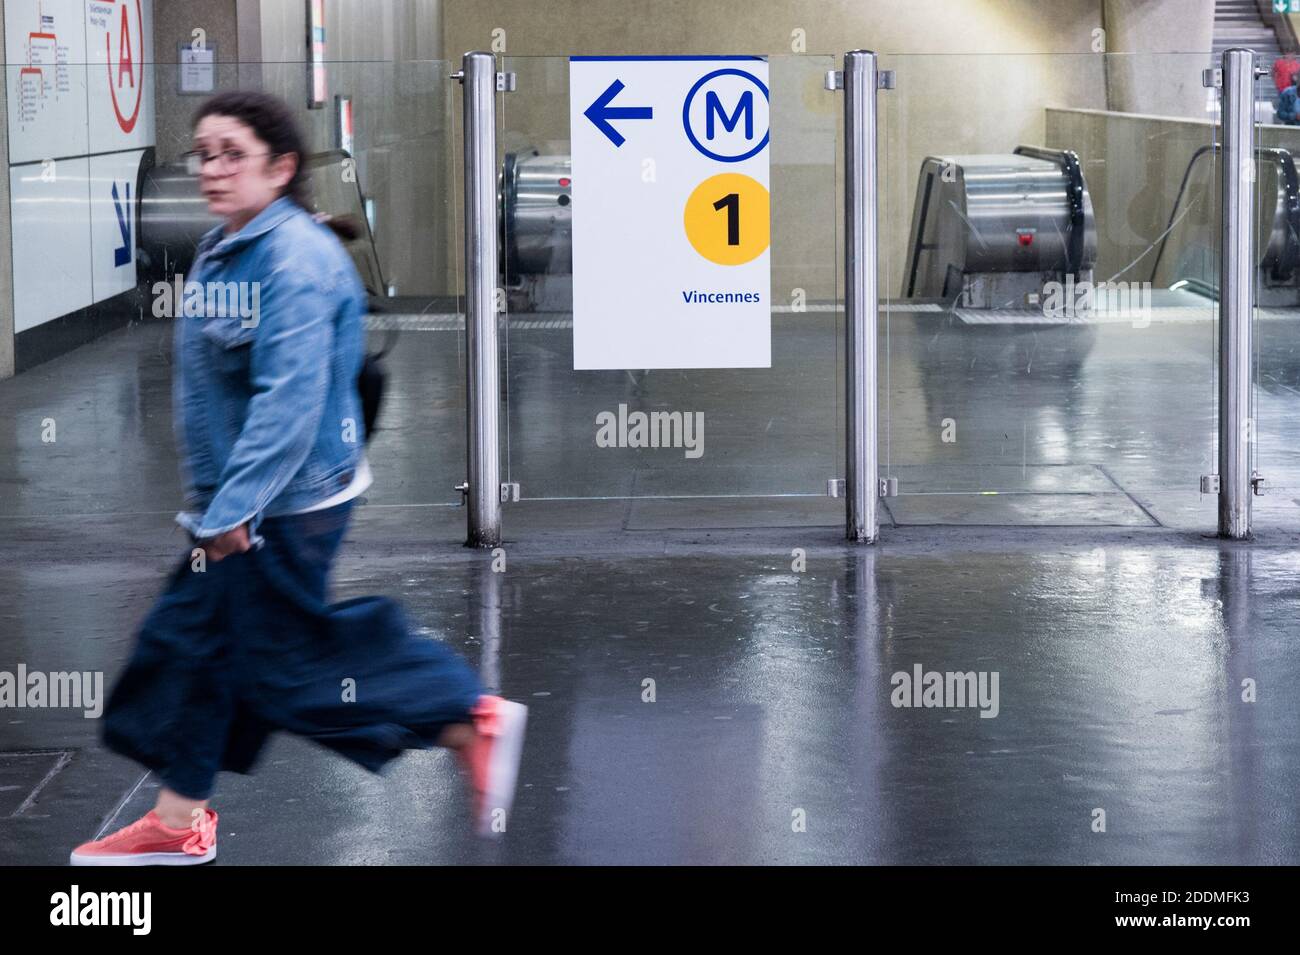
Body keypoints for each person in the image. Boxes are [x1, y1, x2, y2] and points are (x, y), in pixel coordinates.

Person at [69, 91, 526, 865]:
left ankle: (464, 713)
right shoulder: (230, 244)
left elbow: (289, 404)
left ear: (280, 168)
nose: (212, 169)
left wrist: (232, 512)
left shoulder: (292, 260)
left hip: (280, 503)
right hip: (246, 498)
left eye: (232, 154)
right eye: (203, 154)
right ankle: (178, 820)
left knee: (283, 666)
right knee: (198, 643)